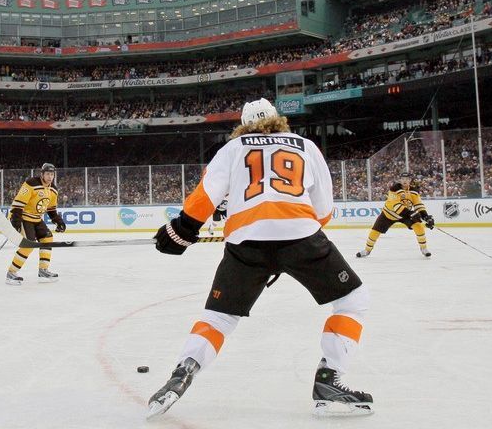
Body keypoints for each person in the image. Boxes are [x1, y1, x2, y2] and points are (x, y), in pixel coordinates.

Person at [147, 98, 373, 418]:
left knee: (219, 318)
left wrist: (182, 229)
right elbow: (324, 211)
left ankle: (183, 372)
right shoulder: (306, 146)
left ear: (243, 124)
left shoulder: (234, 148)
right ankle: (328, 379)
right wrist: (291, 239)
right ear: (278, 120)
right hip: (301, 235)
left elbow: (207, 195)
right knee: (353, 300)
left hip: (245, 242)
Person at [5, 163, 66, 284]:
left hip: (37, 219)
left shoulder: (53, 190)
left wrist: (58, 221)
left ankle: (43, 270)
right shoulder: (31, 183)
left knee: (48, 239)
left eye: (52, 174)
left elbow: (51, 209)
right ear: (42, 174)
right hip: (23, 217)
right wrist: (16, 222)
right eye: (47, 174)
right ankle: (11, 273)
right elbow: (18, 204)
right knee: (29, 244)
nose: (50, 177)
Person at [356, 171, 433, 258]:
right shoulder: (394, 189)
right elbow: (397, 207)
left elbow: (419, 205)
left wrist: (426, 217)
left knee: (418, 226)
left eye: (407, 179)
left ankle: (424, 248)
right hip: (388, 214)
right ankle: (367, 250)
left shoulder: (414, 191)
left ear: (410, 180)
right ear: (400, 180)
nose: (404, 181)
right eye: (403, 179)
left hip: (405, 214)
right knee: (375, 231)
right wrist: (412, 213)